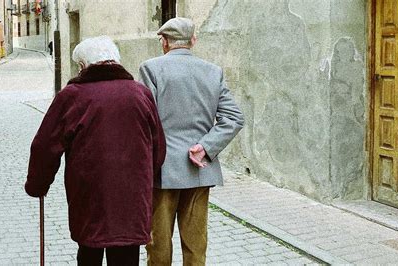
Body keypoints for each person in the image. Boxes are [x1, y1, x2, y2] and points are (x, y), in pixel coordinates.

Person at [25, 36, 166, 266]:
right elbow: (158, 147)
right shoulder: (141, 93)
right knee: (127, 255)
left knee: (89, 252)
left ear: (82, 66)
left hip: (89, 197)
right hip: (132, 198)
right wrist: (146, 178)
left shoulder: (72, 96)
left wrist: (37, 184)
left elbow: (44, 146)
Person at [139, 17, 244, 265]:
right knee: (196, 246)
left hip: (162, 170)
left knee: (158, 245)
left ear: (164, 42)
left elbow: (144, 119)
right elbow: (234, 118)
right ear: (193, 41)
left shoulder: (150, 68)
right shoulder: (213, 71)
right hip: (199, 168)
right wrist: (206, 147)